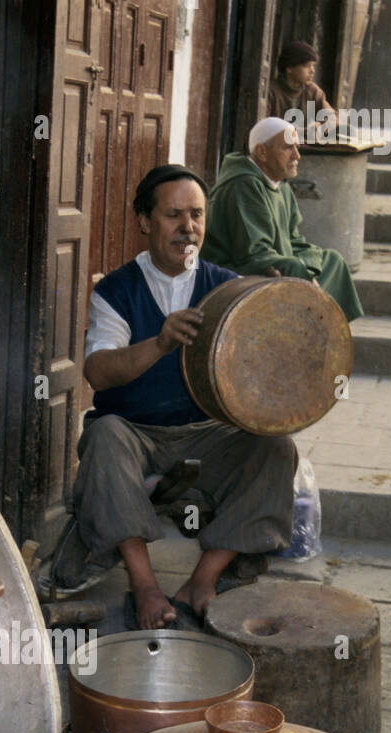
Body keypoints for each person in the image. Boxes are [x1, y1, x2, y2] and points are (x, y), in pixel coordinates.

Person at [51, 164, 297, 630]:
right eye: (174, 215)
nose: (188, 228)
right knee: (103, 436)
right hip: (136, 434)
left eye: (198, 215)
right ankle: (145, 586)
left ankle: (202, 580)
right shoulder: (117, 291)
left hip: (207, 434)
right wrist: (160, 343)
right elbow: (98, 372)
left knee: (275, 448)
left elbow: (259, 372)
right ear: (145, 221)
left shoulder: (225, 287)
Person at [202, 117, 363, 321]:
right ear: (262, 152)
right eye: (288, 148)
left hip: (272, 259)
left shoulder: (281, 184)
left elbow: (294, 240)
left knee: (333, 261)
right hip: (234, 268)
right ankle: (308, 329)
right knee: (296, 269)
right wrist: (299, 268)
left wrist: (308, 263)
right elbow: (253, 254)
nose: (297, 156)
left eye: (297, 148)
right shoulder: (243, 185)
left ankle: (328, 328)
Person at [266, 39, 334, 127]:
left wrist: (323, 125)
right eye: (306, 66)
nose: (312, 71)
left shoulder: (312, 91)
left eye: (313, 66)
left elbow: (332, 117)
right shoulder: (271, 92)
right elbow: (265, 129)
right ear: (289, 68)